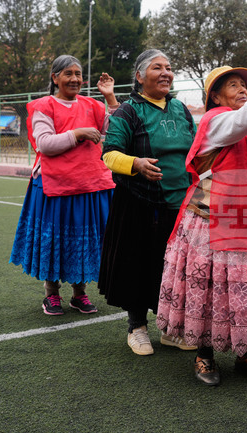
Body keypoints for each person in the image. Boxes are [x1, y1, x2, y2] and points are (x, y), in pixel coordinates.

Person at [156, 48, 247, 386]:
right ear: (215, 97)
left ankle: (246, 354)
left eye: (244, 84)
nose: (242, 88)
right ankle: (204, 355)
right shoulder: (216, 121)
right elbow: (243, 121)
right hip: (211, 222)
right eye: (232, 84)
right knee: (211, 289)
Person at [98, 49, 197, 356]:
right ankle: (137, 327)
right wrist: (137, 163)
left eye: (169, 68)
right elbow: (109, 154)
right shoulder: (129, 110)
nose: (166, 73)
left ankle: (169, 328)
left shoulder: (181, 108)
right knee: (138, 263)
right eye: (157, 68)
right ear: (140, 77)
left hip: (180, 204)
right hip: (140, 203)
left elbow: (196, 149)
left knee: (174, 269)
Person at [10, 55, 118, 315]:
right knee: (56, 241)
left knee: (83, 241)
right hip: (54, 186)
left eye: (78, 74)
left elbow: (116, 130)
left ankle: (79, 294)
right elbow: (44, 144)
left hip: (91, 185)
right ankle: (52, 294)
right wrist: (78, 133)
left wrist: (111, 98)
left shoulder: (93, 105)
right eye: (68, 73)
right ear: (55, 77)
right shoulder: (44, 106)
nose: (75, 79)